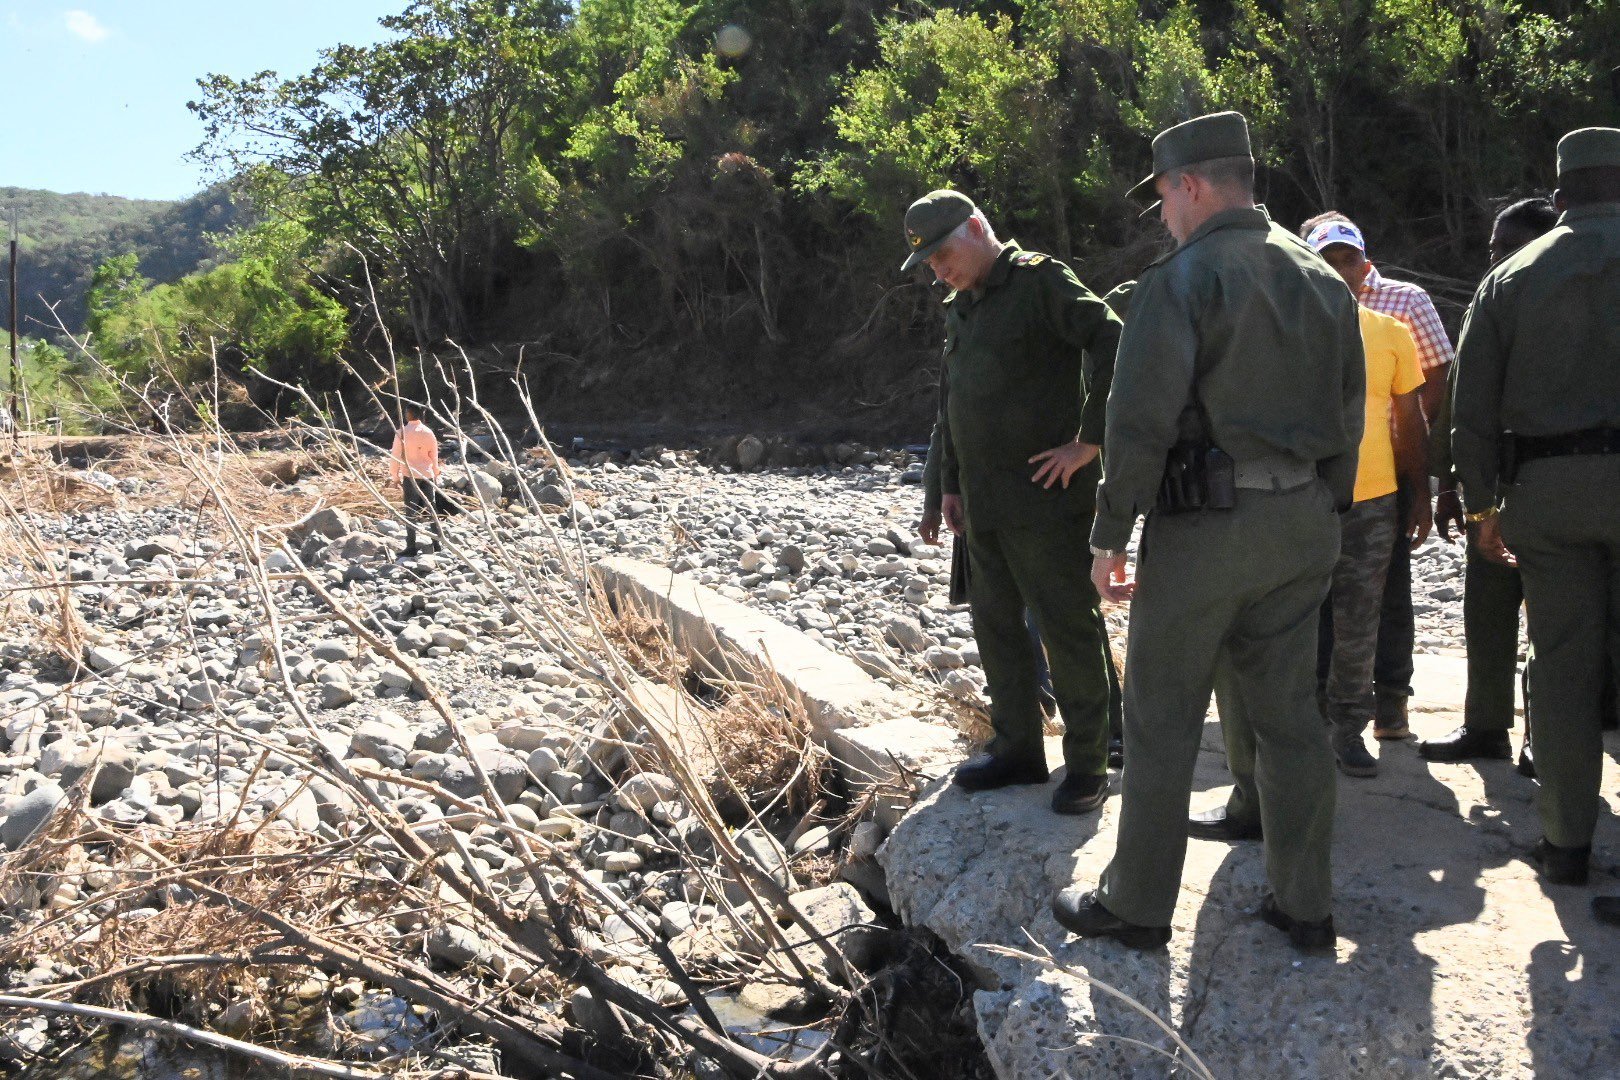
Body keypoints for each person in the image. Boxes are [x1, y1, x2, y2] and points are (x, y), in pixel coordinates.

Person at [1050, 111, 1363, 951]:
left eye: (1161, 197)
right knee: (1292, 717)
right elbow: (1348, 415)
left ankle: (1139, 906)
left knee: (1160, 716)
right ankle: (1306, 906)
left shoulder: (1181, 281)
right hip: (1302, 523)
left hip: (1206, 528)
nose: (1162, 215)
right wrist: (1320, 508)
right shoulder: (1323, 279)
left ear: (1188, 185)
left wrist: (1109, 535)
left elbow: (1139, 422)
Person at [903, 188, 1123, 815]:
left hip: (1045, 501)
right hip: (981, 503)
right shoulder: (962, 308)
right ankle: (1018, 749)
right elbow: (952, 406)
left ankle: (1088, 763)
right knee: (996, 628)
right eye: (931, 264)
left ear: (976, 228)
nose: (940, 270)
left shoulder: (1040, 282)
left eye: (945, 254)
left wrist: (1088, 440)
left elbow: (1115, 341)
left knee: (1067, 628)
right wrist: (944, 486)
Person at [1450, 127, 1620, 904]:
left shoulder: (1511, 277)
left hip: (1546, 492)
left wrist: (1482, 504)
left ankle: (1565, 846)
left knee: (1562, 665)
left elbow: (1471, 407)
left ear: (1559, 197)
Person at [1297, 211, 1454, 740]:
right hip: (1305, 492)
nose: (1341, 272)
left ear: (1367, 265)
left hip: (1379, 485)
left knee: (1375, 608)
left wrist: (1419, 486)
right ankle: (1310, 717)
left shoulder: (1395, 322)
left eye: (1349, 260)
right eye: (1328, 261)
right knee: (1307, 608)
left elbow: (1419, 402)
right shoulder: (1286, 323)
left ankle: (1367, 715)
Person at [1421, 198, 1560, 776]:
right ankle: (1485, 726)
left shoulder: (1559, 305)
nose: (1495, 258)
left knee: (1553, 621)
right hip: (1490, 482)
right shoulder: (1491, 300)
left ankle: (1545, 735)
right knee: (1486, 611)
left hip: (1543, 482)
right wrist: (1451, 485)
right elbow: (1460, 402)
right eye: (1492, 248)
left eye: (1506, 247)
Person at [389, 402, 443, 558]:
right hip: (427, 475)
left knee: (410, 511)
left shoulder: (402, 433)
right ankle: (437, 543)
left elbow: (396, 456)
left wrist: (394, 475)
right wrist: (436, 471)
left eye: (406, 412)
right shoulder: (428, 432)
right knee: (431, 508)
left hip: (410, 475)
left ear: (409, 414)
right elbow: (434, 455)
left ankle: (411, 546)